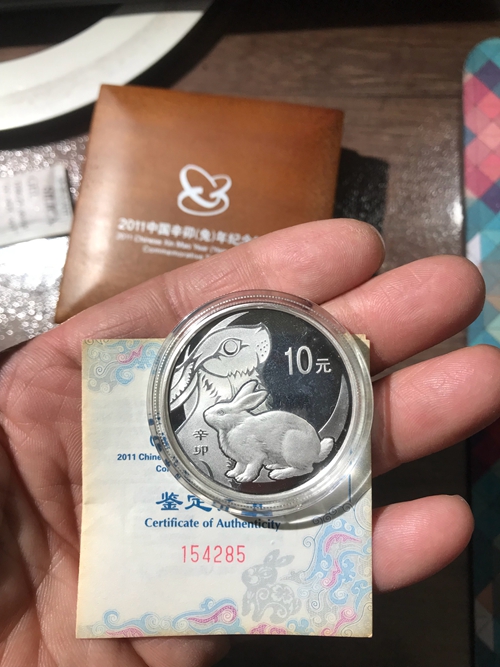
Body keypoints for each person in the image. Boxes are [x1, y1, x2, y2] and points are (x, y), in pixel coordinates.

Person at [0, 218, 498, 666]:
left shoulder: (244, 429)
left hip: (301, 455)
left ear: (241, 409)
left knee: (290, 451)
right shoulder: (230, 430)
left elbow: (256, 454)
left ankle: (296, 467)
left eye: (221, 413)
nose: (213, 416)